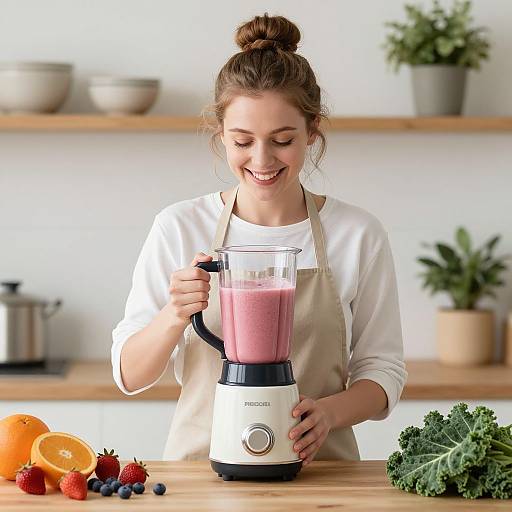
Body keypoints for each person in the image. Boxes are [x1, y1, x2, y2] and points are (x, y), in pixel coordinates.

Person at [112, 13, 406, 465]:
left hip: (324, 481)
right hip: (201, 481)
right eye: (243, 140)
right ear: (221, 137)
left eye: (283, 139)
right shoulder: (178, 226)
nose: (262, 159)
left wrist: (328, 413)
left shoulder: (358, 234)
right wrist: (175, 313)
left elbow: (382, 373)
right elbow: (130, 375)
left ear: (312, 132)